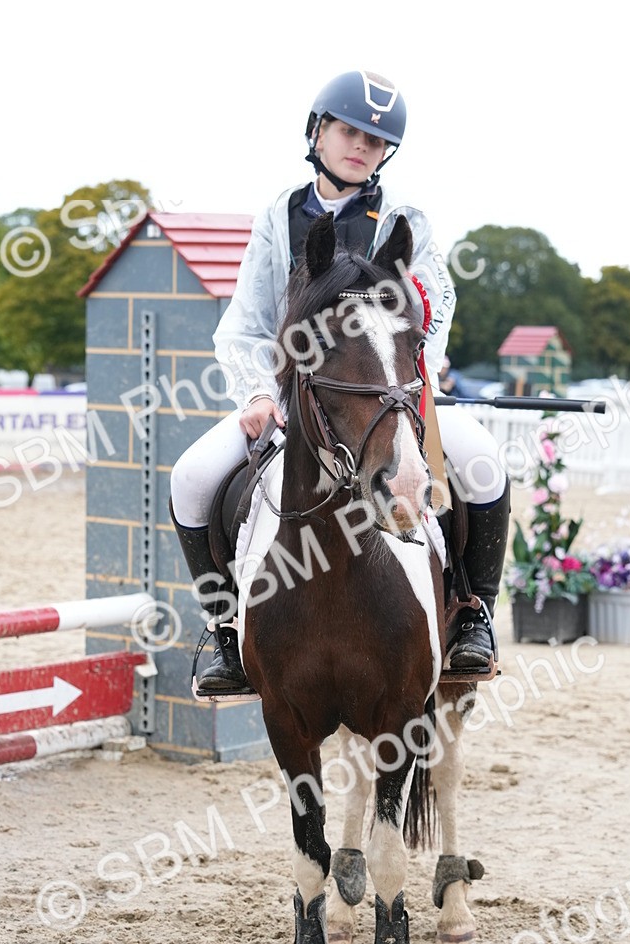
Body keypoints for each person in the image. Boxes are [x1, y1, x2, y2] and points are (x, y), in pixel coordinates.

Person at [170, 70, 510, 694]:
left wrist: (405, 383)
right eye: (349, 132)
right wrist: (254, 394)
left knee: (483, 464)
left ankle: (472, 615)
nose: (361, 146)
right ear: (317, 133)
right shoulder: (279, 215)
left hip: (392, 397)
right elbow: (245, 322)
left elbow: (434, 304)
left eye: (375, 141)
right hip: (290, 402)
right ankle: (223, 629)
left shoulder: (404, 219)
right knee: (190, 478)